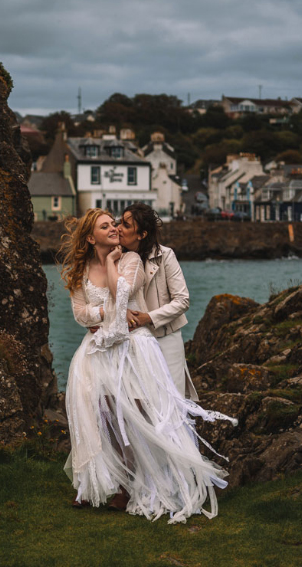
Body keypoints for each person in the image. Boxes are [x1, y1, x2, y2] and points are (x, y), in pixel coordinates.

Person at [59, 208, 236, 524]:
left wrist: (117, 277)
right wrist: (106, 313)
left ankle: (158, 478)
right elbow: (81, 313)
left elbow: (130, 296)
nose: (116, 227)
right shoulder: (83, 268)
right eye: (110, 224)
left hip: (148, 339)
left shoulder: (136, 259)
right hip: (101, 346)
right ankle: (97, 480)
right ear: (90, 237)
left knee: (154, 411)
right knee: (98, 410)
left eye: (122, 224)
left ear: (140, 233)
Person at [117, 203, 198, 401]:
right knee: (139, 403)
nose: (118, 228)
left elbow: (183, 300)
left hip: (165, 338)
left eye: (126, 225)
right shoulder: (114, 257)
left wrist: (149, 318)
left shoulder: (165, 255)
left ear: (142, 234)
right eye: (119, 222)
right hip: (131, 341)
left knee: (172, 401)